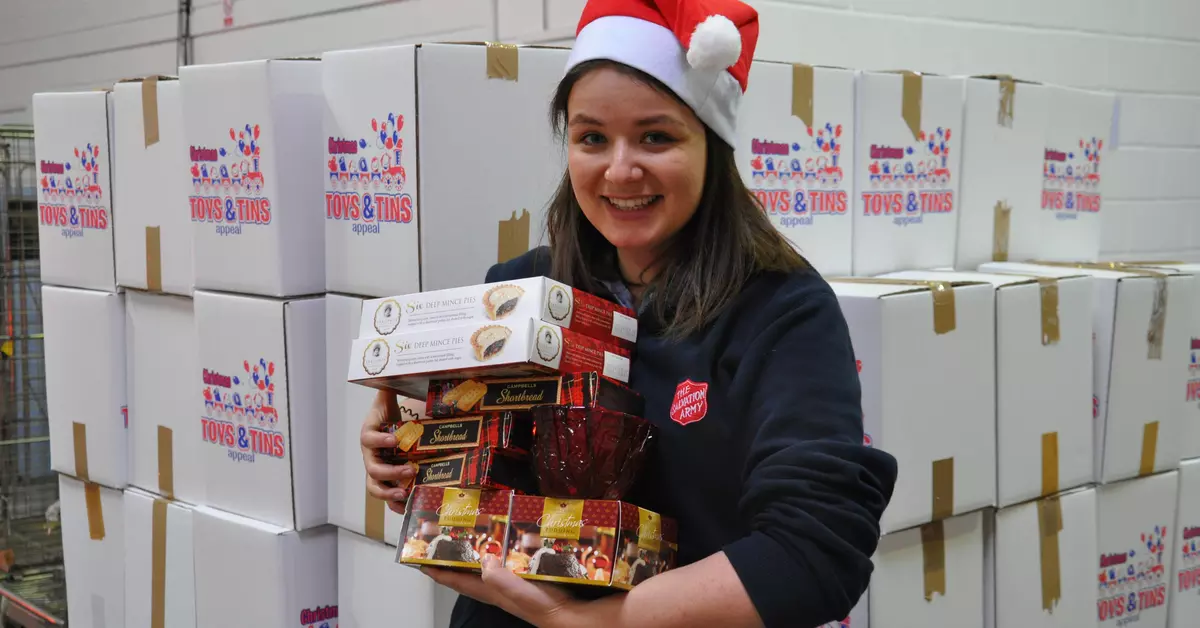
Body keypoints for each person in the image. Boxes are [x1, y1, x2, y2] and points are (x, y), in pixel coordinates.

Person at [360, 0, 898, 625]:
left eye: (656, 136)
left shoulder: (782, 311)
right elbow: (476, 485)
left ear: (711, 144)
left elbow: (814, 551)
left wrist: (592, 622)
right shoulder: (520, 290)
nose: (620, 170)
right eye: (592, 137)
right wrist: (413, 448)